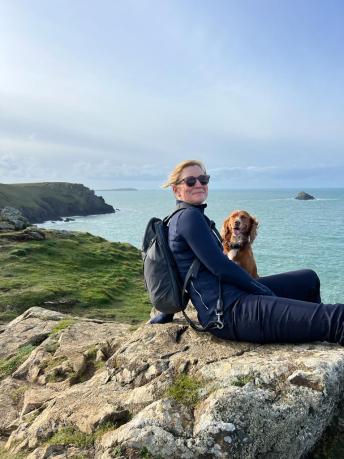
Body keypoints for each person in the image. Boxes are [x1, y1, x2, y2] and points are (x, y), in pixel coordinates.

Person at [150, 159, 344, 344]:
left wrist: (166, 313)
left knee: (308, 279)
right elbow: (220, 267)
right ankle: (320, 324)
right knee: (337, 317)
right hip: (228, 312)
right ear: (176, 190)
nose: (199, 184)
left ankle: (310, 325)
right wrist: (261, 290)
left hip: (236, 296)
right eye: (190, 181)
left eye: (204, 179)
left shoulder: (184, 217)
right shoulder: (189, 218)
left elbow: (174, 268)